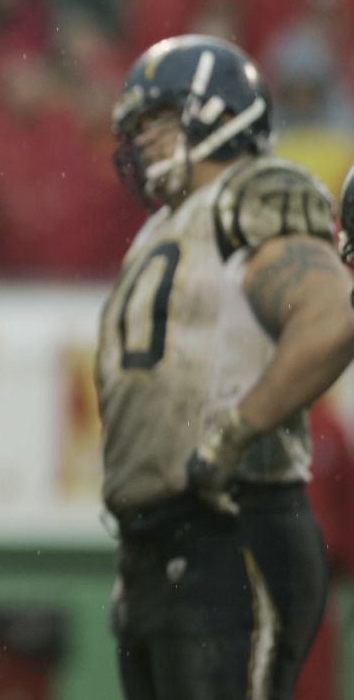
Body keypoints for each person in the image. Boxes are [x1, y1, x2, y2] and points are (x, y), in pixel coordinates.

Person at [97, 34, 354, 699]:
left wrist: (235, 432)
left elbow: (332, 315)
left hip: (232, 522)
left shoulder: (254, 192)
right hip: (158, 541)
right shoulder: (165, 227)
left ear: (213, 112)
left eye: (156, 121)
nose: (142, 140)